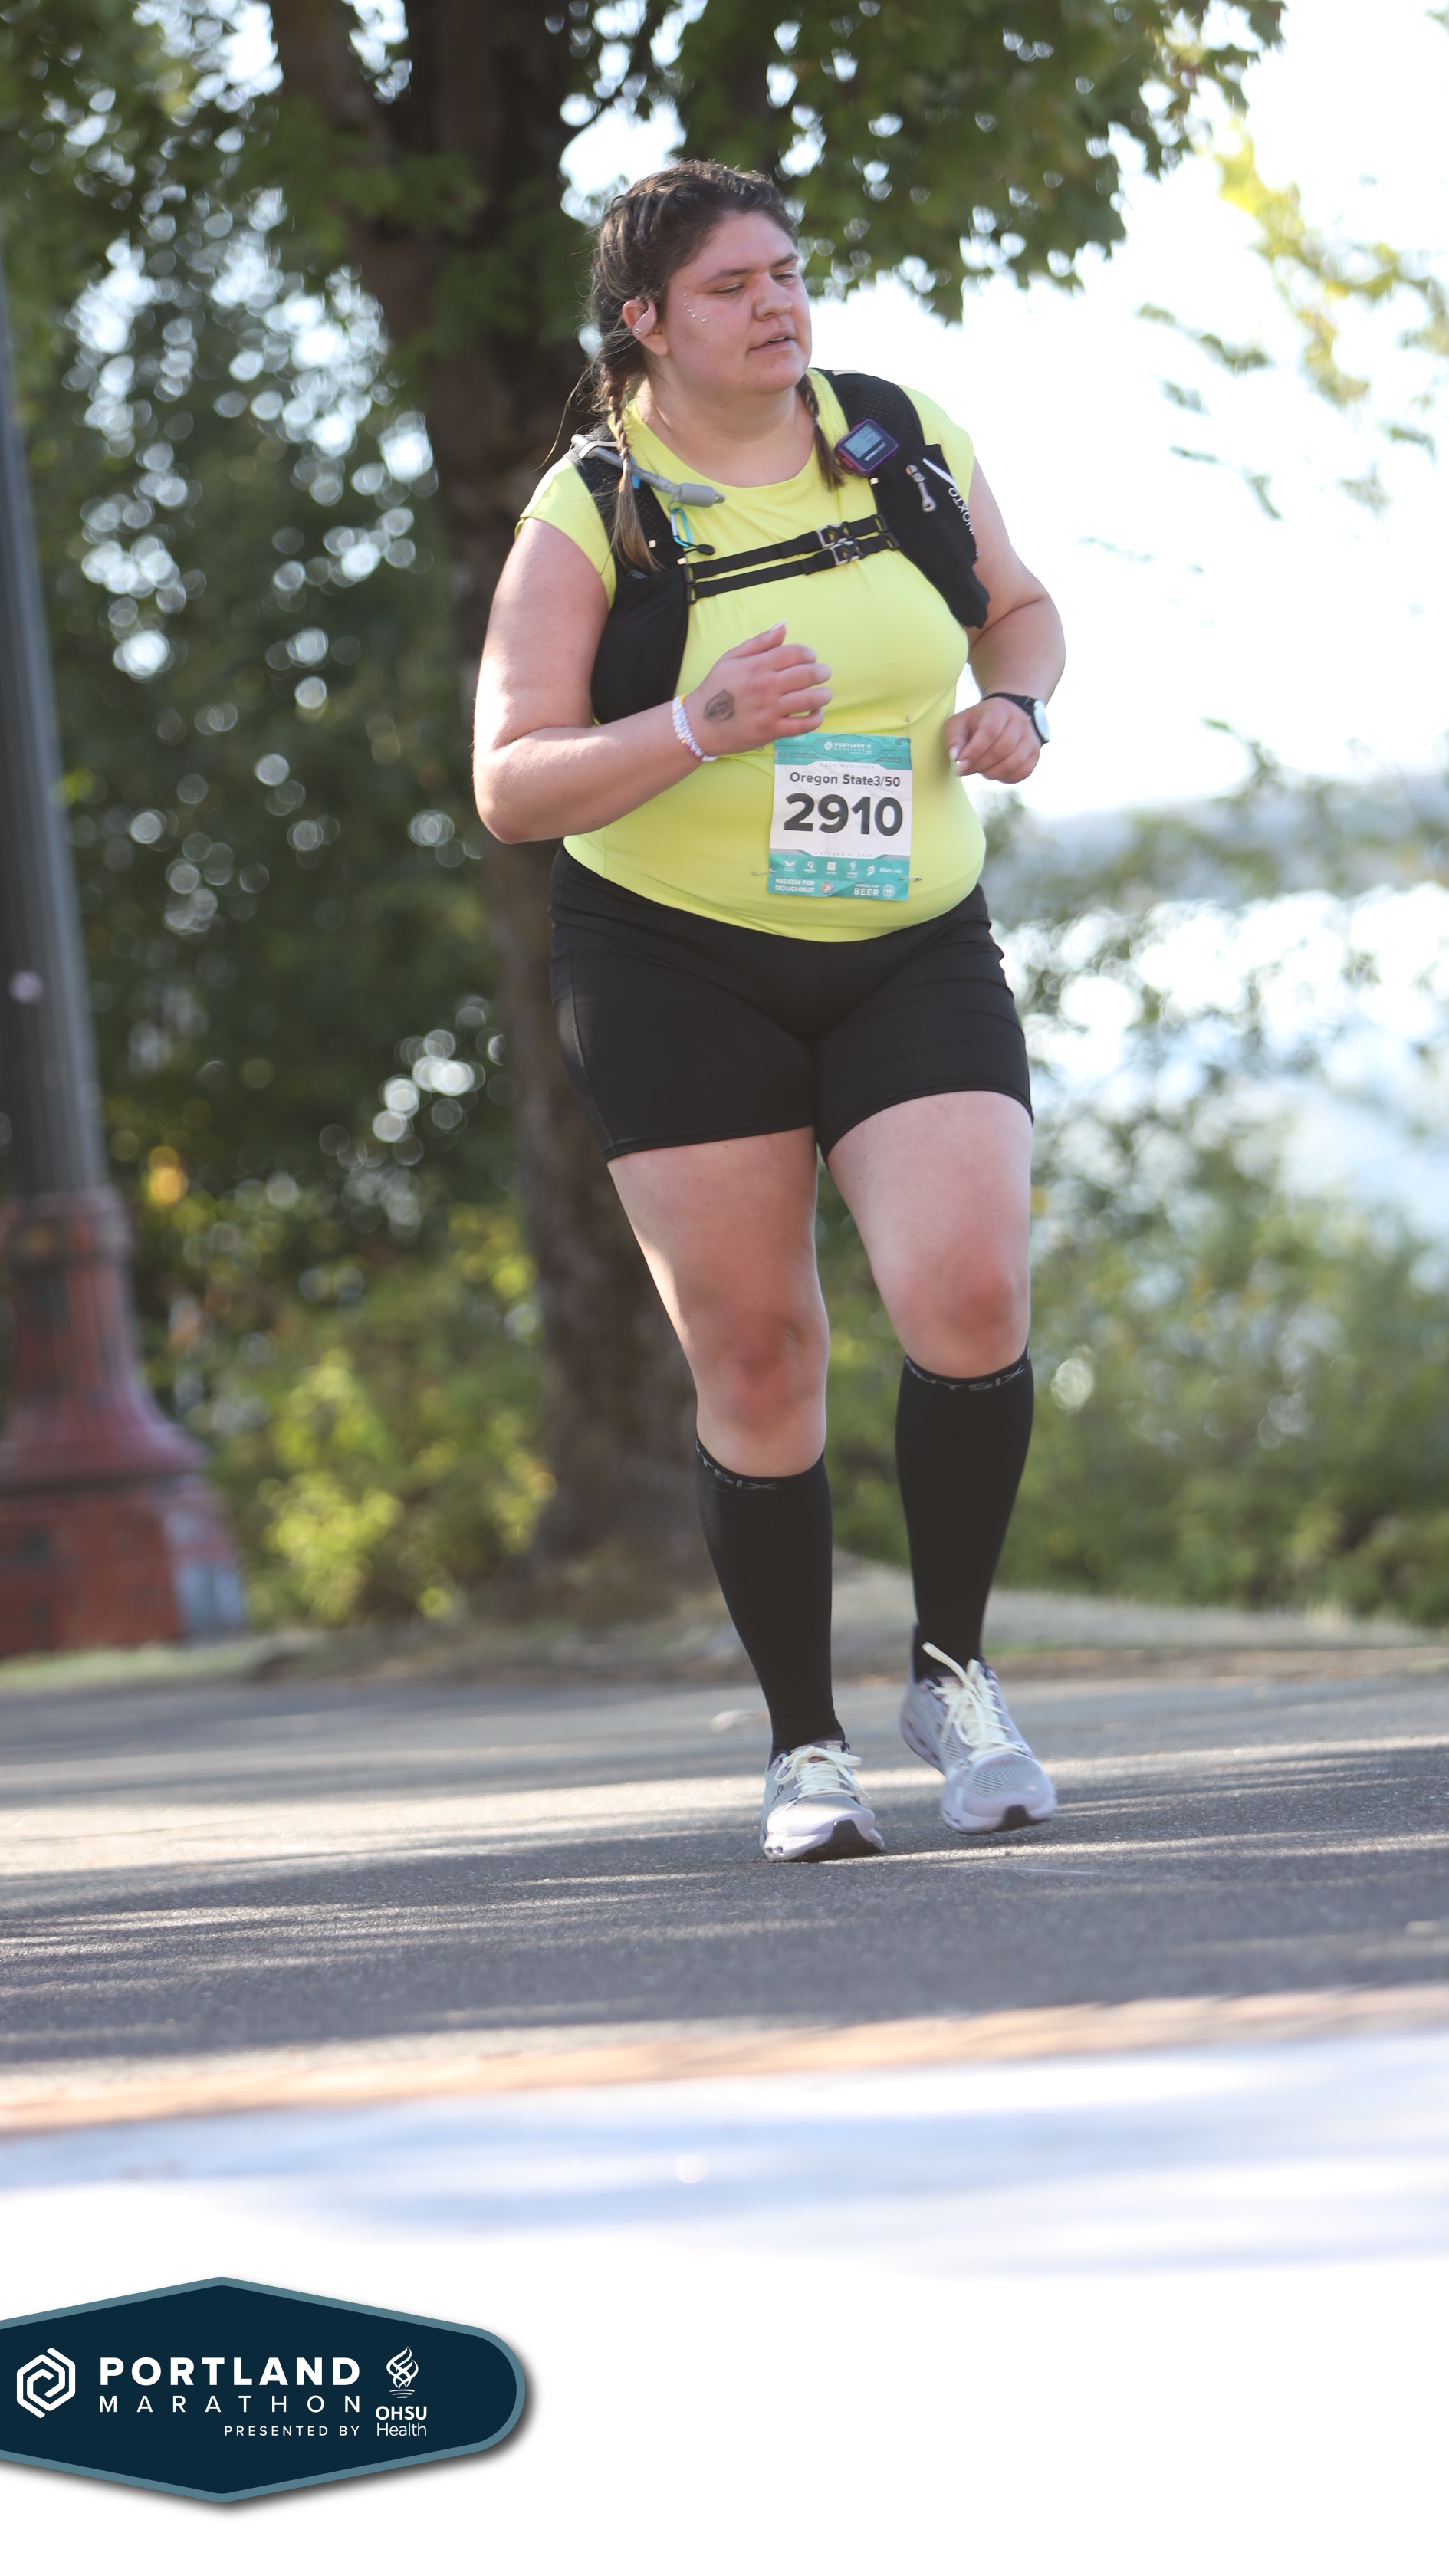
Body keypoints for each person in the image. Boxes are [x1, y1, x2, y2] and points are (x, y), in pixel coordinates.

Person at [475, 161, 1065, 1862]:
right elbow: (511, 782)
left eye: (789, 273)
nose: (778, 306)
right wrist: (697, 725)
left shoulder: (896, 436)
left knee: (969, 1290)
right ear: (644, 323)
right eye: (732, 287)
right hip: (675, 963)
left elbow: (1018, 611)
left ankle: (952, 1673)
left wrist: (1018, 706)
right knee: (756, 1357)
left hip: (911, 943)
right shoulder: (591, 509)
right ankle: (805, 1745)